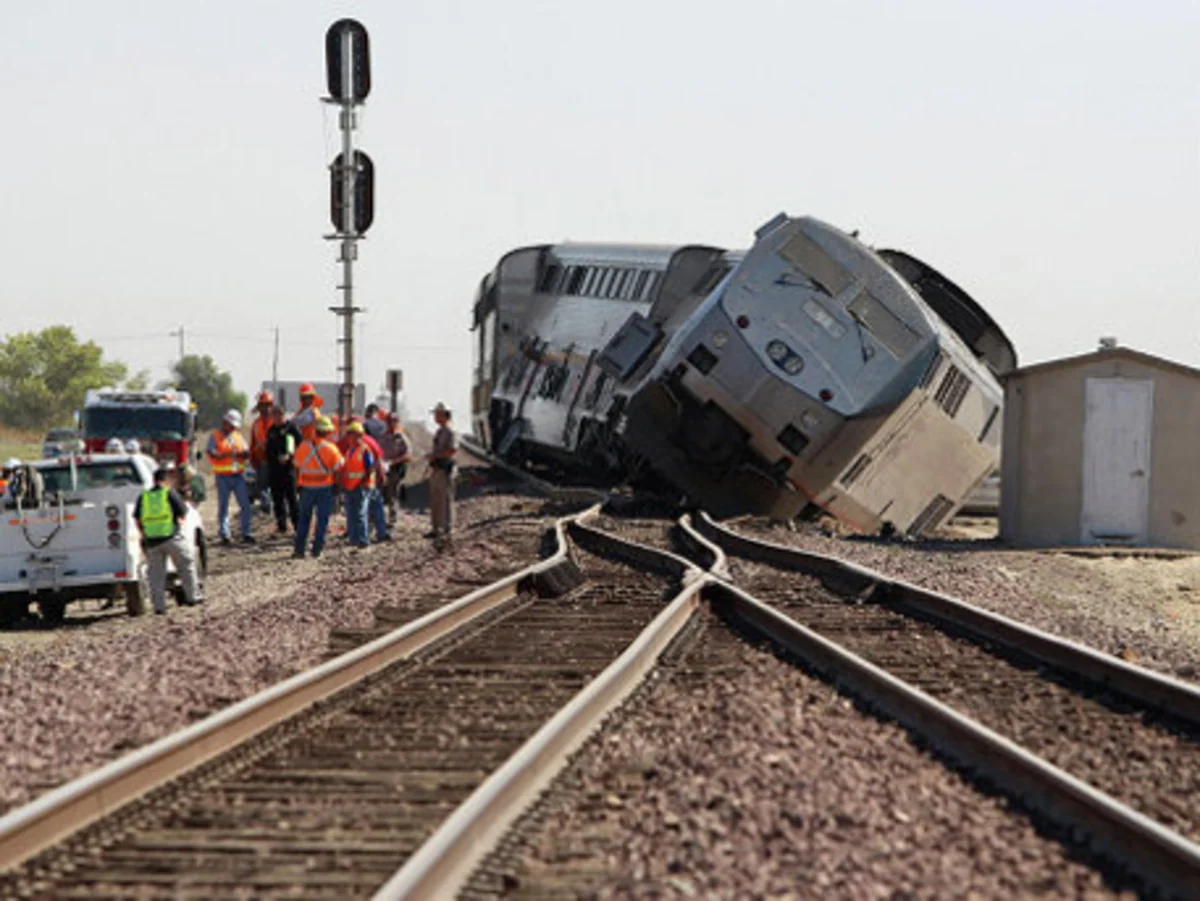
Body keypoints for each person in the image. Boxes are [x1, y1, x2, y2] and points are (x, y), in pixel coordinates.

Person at [134, 465, 204, 615]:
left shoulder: (144, 497)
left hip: (152, 541)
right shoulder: (169, 494)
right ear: (166, 480)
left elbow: (137, 519)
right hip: (171, 537)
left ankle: (159, 607)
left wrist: (145, 533)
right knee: (186, 565)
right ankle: (193, 597)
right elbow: (183, 513)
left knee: (156, 576)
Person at [292, 415, 343, 558]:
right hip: (324, 488)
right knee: (322, 520)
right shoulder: (331, 449)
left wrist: (298, 483)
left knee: (304, 519)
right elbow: (338, 470)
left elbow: (296, 467)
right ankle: (317, 550)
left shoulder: (303, 446)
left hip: (306, 487)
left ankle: (299, 550)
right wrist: (337, 487)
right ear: (327, 432)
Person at [207, 409, 255, 546]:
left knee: (245, 505)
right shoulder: (215, 436)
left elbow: (246, 453)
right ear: (225, 422)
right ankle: (225, 534)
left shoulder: (238, 436)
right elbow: (211, 452)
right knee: (224, 507)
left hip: (238, 476)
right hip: (222, 477)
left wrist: (242, 454)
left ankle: (246, 532)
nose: (232, 427)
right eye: (230, 424)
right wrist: (227, 454)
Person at [339, 421, 376, 548]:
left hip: (361, 487)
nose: (348, 437)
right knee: (351, 514)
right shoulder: (350, 451)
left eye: (351, 434)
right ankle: (353, 539)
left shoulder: (364, 450)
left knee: (360, 514)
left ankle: (363, 540)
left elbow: (370, 468)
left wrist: (363, 482)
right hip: (350, 487)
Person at [265, 404, 300, 534]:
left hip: (288, 469)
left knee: (292, 498)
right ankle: (281, 525)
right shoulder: (271, 430)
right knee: (277, 499)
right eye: (274, 414)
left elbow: (299, 446)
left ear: (283, 414)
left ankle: (297, 525)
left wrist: (290, 457)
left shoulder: (291, 428)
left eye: (279, 414)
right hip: (274, 470)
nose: (276, 417)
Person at [425, 402, 457, 539]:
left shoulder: (450, 431)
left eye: (437, 414)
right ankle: (436, 527)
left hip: (444, 468)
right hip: (437, 468)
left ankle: (447, 528)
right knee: (436, 499)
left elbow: (452, 450)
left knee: (445, 499)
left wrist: (435, 455)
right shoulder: (440, 431)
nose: (435, 417)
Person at [380, 414, 412, 524]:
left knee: (393, 494)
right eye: (388, 421)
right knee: (382, 494)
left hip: (395, 470)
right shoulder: (383, 437)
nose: (390, 424)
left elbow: (408, 455)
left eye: (393, 421)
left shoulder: (401, 438)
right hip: (383, 469)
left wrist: (393, 462)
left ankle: (392, 520)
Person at [249, 391, 275, 513]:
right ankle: (267, 508)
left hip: (275, 461)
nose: (265, 408)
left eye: (268, 405)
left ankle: (271, 508)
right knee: (262, 487)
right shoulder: (256, 424)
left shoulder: (276, 421)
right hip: (262, 461)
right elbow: (253, 443)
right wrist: (253, 458)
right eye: (263, 405)